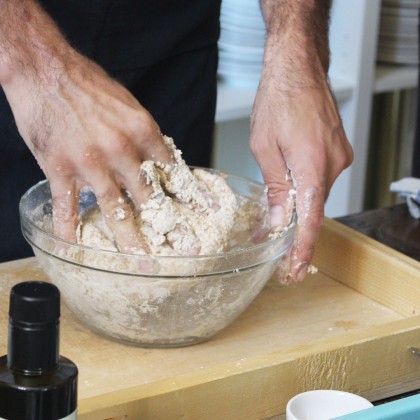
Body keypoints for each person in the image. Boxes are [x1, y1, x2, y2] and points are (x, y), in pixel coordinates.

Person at [0, 0, 353, 282]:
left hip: (169, 33)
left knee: (181, 253)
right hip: (18, 53)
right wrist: (28, 56)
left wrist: (298, 50)